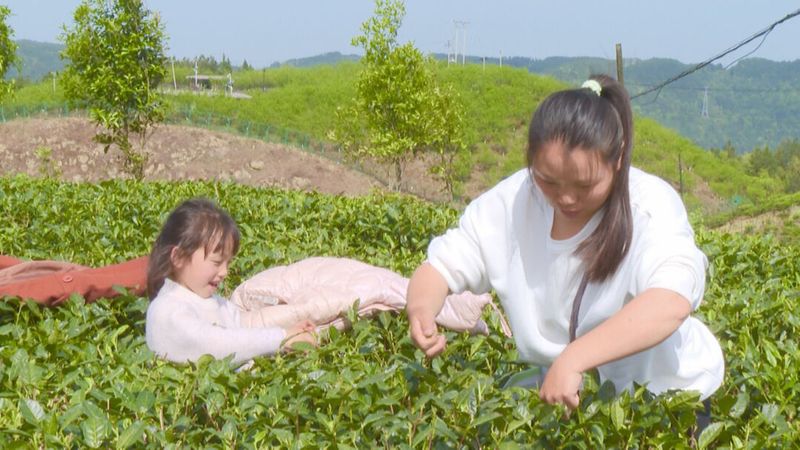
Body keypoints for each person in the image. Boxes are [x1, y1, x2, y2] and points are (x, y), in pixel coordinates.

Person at [406, 75, 724, 412]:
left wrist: (575, 358)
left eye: (585, 185)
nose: (566, 198)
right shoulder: (514, 200)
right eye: (548, 180)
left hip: (665, 403)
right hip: (567, 400)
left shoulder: (649, 206)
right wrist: (421, 308)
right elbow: (443, 265)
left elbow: (669, 303)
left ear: (617, 162)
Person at [145, 198, 316, 365]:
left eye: (228, 263)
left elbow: (243, 334)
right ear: (179, 257)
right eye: (217, 262)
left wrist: (292, 331)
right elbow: (216, 345)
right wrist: (282, 338)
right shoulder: (166, 310)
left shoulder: (216, 303)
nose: (224, 272)